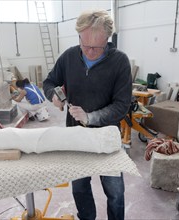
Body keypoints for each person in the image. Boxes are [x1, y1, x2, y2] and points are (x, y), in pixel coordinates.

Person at [43, 9, 132, 220]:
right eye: (85, 45)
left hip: (107, 137)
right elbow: (49, 82)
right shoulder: (69, 57)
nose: (90, 52)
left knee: (115, 192)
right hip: (76, 137)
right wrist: (53, 96)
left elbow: (122, 105)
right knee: (80, 188)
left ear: (108, 40)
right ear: (79, 37)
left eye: (97, 47)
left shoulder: (120, 62)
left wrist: (90, 117)